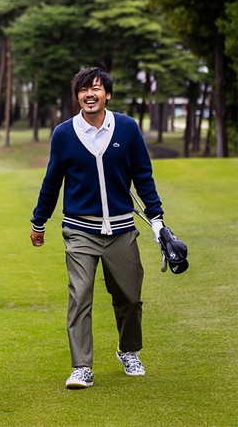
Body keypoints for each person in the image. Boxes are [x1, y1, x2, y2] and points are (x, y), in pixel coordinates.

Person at [30, 66, 165, 389]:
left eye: (96, 88)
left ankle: (128, 349)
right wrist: (39, 221)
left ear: (107, 94)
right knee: (80, 296)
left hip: (121, 230)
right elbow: (52, 181)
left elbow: (143, 177)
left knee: (129, 298)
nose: (90, 94)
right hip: (79, 230)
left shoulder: (128, 129)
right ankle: (81, 366)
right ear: (77, 97)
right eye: (83, 90)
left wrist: (157, 219)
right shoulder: (64, 133)